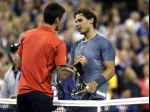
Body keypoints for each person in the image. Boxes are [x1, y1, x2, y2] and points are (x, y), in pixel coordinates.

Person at [16, 2, 74, 112]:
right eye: (61, 20)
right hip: (41, 96)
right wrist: (76, 68)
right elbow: (62, 75)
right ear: (57, 19)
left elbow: (18, 64)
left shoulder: (26, 35)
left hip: (22, 94)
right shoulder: (58, 43)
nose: (61, 23)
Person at [64, 8, 116, 112]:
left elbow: (111, 70)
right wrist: (75, 66)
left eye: (80, 20)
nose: (77, 24)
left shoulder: (104, 43)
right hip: (77, 97)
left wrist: (95, 83)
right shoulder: (75, 45)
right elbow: (68, 73)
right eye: (75, 22)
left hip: (95, 96)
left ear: (91, 20)